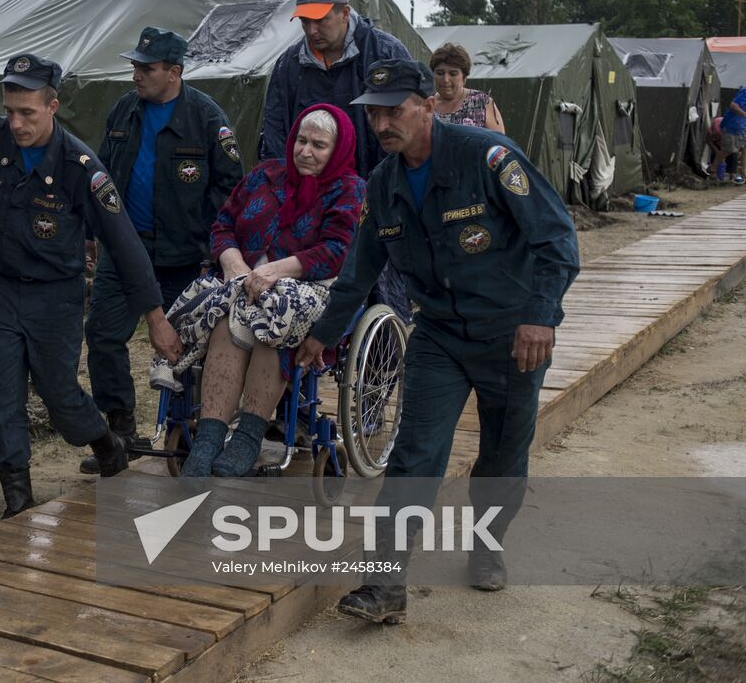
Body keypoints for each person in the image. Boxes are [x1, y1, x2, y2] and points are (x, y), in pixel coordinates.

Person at [294, 57, 579, 625]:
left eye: (394, 111)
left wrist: (540, 317)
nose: (381, 125)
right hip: (440, 336)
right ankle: (384, 588)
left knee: (502, 455)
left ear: (428, 104)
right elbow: (358, 271)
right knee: (414, 457)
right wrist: (321, 337)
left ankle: (488, 540)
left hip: (512, 333)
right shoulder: (385, 183)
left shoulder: (488, 158)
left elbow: (556, 238)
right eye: (373, 114)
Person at [0, 52, 182, 518]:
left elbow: (123, 242)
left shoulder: (81, 167)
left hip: (56, 296)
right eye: (10, 110)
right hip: (1, 290)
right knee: (1, 396)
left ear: (52, 107)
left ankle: (104, 441)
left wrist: (155, 319)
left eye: (27, 113)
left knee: (59, 395)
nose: (16, 123)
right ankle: (17, 500)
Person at [149, 104, 363, 477]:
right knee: (227, 324)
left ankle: (249, 436)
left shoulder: (348, 189)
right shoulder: (266, 174)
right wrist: (234, 264)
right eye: (301, 140)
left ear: (337, 149)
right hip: (244, 281)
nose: (305, 151)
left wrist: (274, 272)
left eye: (319, 145)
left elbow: (335, 252)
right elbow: (223, 224)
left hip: (309, 289)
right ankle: (210, 438)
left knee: (271, 320)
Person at [79, 27, 246, 474]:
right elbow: (99, 175)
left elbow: (232, 191)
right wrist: (94, 231)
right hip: (124, 250)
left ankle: (190, 430)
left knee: (187, 349)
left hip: (183, 257)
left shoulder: (208, 119)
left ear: (174, 72)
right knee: (103, 336)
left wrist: (210, 245)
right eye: (134, 66)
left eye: (146, 68)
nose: (136, 75)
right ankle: (120, 434)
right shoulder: (123, 110)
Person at [259, 0, 416, 176]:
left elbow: (410, 125)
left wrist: (385, 186)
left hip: (375, 186)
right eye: (305, 22)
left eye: (320, 20)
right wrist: (283, 186)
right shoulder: (289, 63)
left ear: (344, 13)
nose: (311, 30)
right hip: (308, 190)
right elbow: (274, 131)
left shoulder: (385, 53)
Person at [430, 42, 506, 132]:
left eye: (453, 74)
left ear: (464, 77)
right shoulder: (426, 105)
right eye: (440, 73)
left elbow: (500, 143)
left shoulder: (481, 103)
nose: (445, 79)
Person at [711, 87, 746, 184]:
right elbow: (733, 105)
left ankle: (744, 174)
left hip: (743, 126)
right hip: (734, 125)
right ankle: (713, 170)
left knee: (744, 151)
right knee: (728, 150)